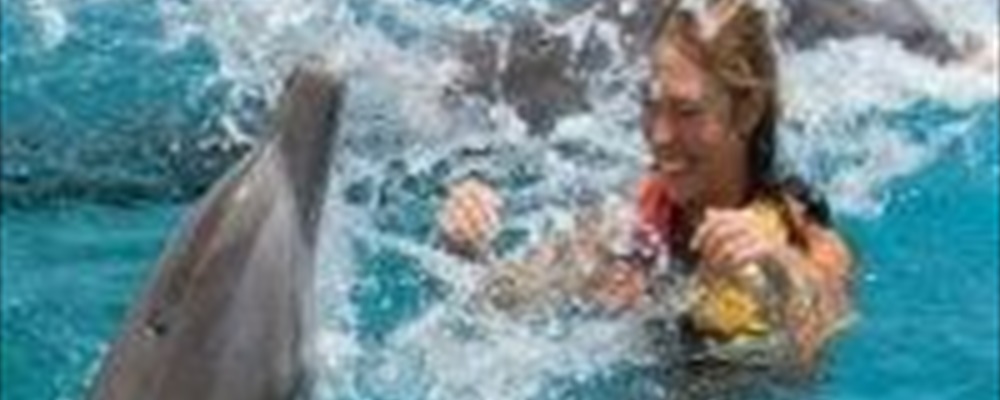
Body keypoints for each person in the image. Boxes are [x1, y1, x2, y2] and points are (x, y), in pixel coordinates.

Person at [437, 0, 852, 373]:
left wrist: (775, 264)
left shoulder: (800, 233)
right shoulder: (628, 226)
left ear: (748, 110)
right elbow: (497, 305)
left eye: (686, 111)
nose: (659, 135)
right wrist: (465, 247)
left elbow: (814, 343)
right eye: (650, 105)